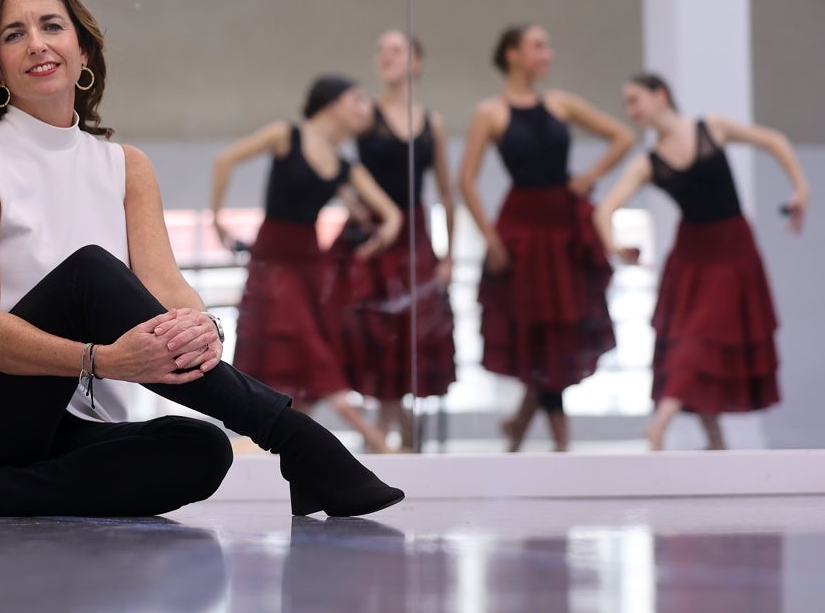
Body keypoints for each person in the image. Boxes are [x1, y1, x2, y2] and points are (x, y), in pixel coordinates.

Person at [0, 0, 403, 519]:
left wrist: (202, 325)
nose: (37, 44)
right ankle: (292, 434)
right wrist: (100, 360)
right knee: (89, 275)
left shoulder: (126, 166)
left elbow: (165, 286)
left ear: (83, 53)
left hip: (67, 419)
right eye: (14, 34)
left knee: (202, 452)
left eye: (52, 26)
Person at [593, 73, 808, 450]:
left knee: (707, 338)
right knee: (691, 340)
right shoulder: (648, 163)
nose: (631, 110)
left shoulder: (714, 127)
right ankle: (708, 438)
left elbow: (774, 140)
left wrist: (800, 188)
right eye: (627, 103)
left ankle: (664, 425)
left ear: (660, 95)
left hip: (733, 249)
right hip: (691, 258)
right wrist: (616, 246)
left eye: (635, 100)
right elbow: (606, 209)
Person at [459, 24, 633, 451]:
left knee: (559, 334)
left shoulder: (561, 103)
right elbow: (466, 180)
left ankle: (525, 431)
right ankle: (553, 443)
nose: (548, 53)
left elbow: (623, 136)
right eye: (539, 46)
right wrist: (490, 238)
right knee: (538, 335)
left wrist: (590, 177)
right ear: (512, 54)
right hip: (521, 231)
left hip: (564, 229)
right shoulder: (491, 112)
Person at [211, 75, 403, 452]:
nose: (364, 108)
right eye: (356, 99)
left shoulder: (345, 166)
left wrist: (380, 238)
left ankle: (291, 442)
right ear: (332, 103)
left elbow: (391, 214)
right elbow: (224, 160)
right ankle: (376, 441)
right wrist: (216, 218)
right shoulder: (287, 134)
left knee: (308, 352)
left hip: (311, 265)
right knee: (307, 347)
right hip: (273, 261)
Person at [328, 30, 457, 450]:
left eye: (396, 50)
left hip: (415, 238)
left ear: (416, 62)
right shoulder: (365, 114)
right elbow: (324, 155)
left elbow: (446, 191)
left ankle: (397, 439)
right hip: (375, 240)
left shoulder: (430, 122)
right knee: (376, 335)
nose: (386, 56)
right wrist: (354, 201)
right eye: (380, 49)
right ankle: (385, 441)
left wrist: (451, 253)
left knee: (410, 336)